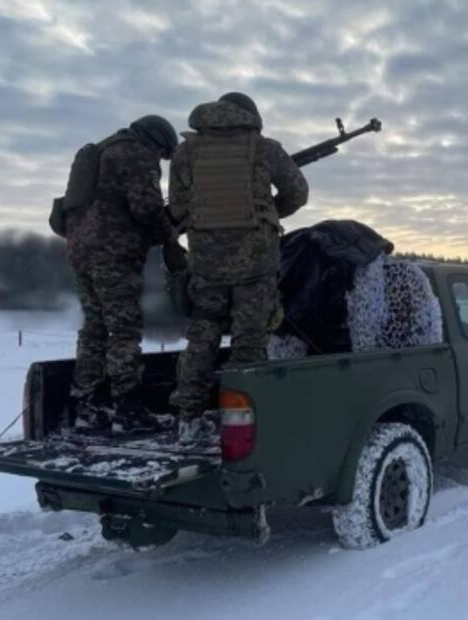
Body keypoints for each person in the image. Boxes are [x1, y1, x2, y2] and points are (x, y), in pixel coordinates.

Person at [169, 92, 308, 440]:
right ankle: (238, 422)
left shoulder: (186, 152)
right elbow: (298, 192)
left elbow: (178, 206)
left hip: (204, 260)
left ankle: (189, 418)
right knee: (249, 339)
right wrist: (268, 212)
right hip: (255, 260)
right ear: (251, 117)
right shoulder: (265, 147)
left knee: (203, 334)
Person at [66, 115, 178, 435]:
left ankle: (86, 407)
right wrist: (169, 237)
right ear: (155, 142)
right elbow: (146, 208)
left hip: (80, 252)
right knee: (124, 330)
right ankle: (127, 411)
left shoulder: (99, 152)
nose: (159, 160)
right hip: (113, 254)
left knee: (95, 329)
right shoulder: (136, 153)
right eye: (162, 154)